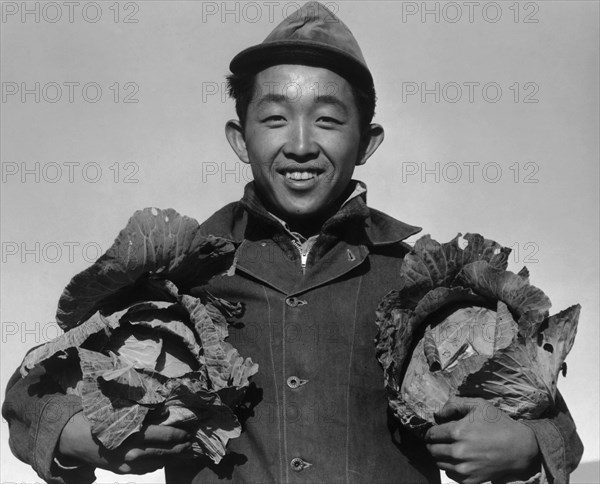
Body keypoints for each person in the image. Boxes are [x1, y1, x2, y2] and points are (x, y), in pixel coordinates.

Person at [3, 2, 583, 483]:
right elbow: (30, 389)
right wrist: (71, 431)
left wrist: (530, 447)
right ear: (239, 137)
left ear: (367, 141)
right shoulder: (175, 274)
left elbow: (556, 426)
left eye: (328, 120)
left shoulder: (426, 289)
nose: (301, 144)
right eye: (275, 118)